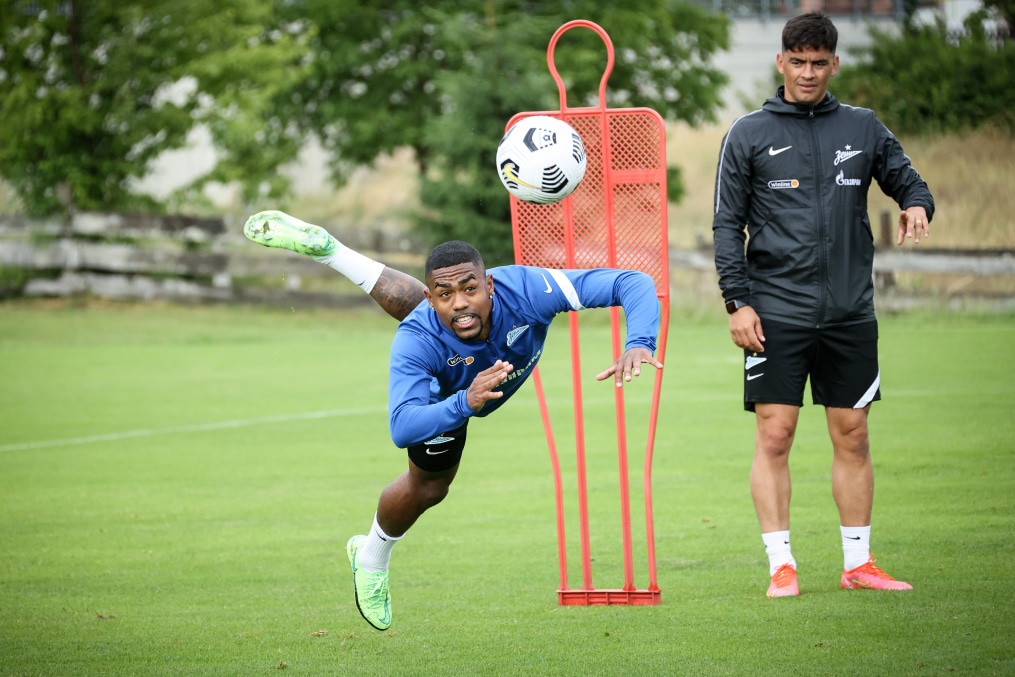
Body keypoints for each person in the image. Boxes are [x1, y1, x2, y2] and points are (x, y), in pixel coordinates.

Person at [244, 210, 663, 629]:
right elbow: (402, 426)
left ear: (491, 285)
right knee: (430, 487)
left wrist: (639, 341)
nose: (461, 300)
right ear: (430, 298)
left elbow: (633, 282)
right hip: (444, 396)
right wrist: (464, 401)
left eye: (470, 288)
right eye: (444, 293)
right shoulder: (415, 339)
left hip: (469, 360)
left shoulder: (528, 288)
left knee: (455, 318)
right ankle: (370, 556)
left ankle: (333, 252)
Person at [711, 12, 934, 598]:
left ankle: (858, 564)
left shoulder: (863, 127)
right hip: (776, 312)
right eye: (798, 61)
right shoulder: (748, 133)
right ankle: (781, 565)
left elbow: (909, 181)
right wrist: (738, 302)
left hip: (849, 312)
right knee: (775, 434)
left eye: (819, 63)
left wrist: (916, 205)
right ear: (781, 62)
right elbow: (725, 225)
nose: (808, 73)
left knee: (853, 432)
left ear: (834, 64)